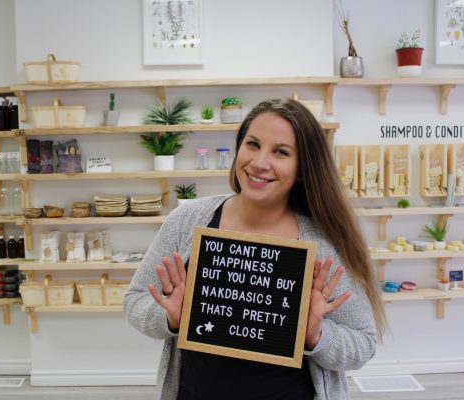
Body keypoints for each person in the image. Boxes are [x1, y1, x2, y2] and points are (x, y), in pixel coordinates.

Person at [124, 98, 386, 400]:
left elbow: (363, 344)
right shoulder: (186, 221)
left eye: (281, 152)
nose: (260, 162)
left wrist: (315, 334)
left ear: (303, 168)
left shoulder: (325, 244)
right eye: (252, 144)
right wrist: (172, 317)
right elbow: (135, 300)